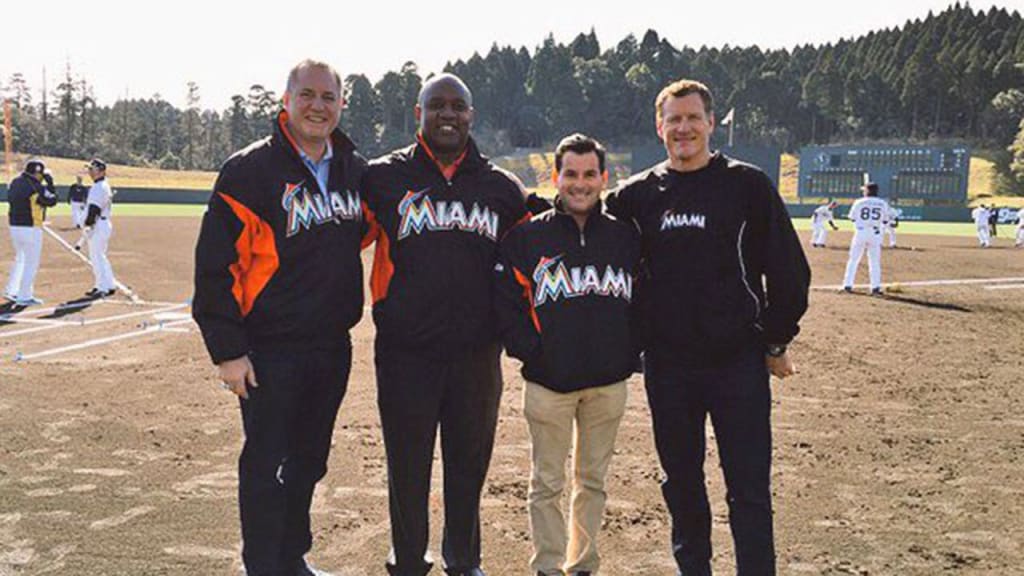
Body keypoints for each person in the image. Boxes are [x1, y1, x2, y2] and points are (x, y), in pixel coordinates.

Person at [605, 79, 810, 576]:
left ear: (710, 123)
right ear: (659, 126)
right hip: (669, 366)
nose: (683, 128)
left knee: (748, 489)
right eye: (673, 119)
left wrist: (775, 338)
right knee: (681, 484)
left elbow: (788, 270)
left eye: (692, 118)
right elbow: (583, 213)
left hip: (736, 364)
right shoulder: (636, 195)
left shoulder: (747, 185)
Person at [192, 59, 370, 576]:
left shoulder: (354, 170)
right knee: (266, 463)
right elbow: (214, 267)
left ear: (341, 104)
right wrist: (228, 351)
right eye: (308, 95)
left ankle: (292, 556)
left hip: (331, 346)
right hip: (269, 348)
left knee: (310, 460)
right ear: (285, 101)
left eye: (329, 97)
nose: (318, 106)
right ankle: (263, 566)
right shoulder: (248, 171)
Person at [361, 73, 528, 576]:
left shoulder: (502, 188)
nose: (448, 115)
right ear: (419, 114)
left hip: (477, 355)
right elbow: (336, 243)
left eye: (458, 106)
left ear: (471, 116)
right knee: (407, 463)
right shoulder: (383, 178)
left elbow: (529, 260)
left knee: (468, 465)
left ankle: (464, 560)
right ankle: (408, 558)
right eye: (437, 106)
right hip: (405, 352)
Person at [495, 133, 640, 576]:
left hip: (607, 384)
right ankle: (547, 565)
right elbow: (505, 302)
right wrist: (533, 354)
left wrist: (627, 352)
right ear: (555, 178)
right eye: (571, 174)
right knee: (547, 483)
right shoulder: (527, 238)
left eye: (589, 174)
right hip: (548, 384)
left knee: (593, 481)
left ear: (603, 177)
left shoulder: (624, 236)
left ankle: (583, 564)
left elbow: (646, 299)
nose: (580, 184)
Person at [4, 159, 58, 306]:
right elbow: (52, 200)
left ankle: (11, 289)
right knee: (31, 262)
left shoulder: (15, 182)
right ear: (37, 172)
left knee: (20, 258)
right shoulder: (36, 185)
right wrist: (50, 183)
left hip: (14, 225)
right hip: (30, 227)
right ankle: (24, 295)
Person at [842, 182, 890, 295]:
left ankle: (847, 285)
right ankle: (875, 287)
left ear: (867, 191)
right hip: (875, 233)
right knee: (874, 261)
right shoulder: (883, 203)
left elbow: (852, 218)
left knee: (853, 259)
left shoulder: (859, 202)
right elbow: (885, 220)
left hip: (860, 232)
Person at [82, 158, 118, 297]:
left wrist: (89, 225)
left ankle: (101, 286)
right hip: (102, 223)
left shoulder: (99, 187)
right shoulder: (103, 185)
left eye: (93, 169)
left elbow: (94, 209)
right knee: (100, 256)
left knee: (96, 257)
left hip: (98, 224)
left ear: (101, 171)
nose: (90, 172)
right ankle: (109, 284)